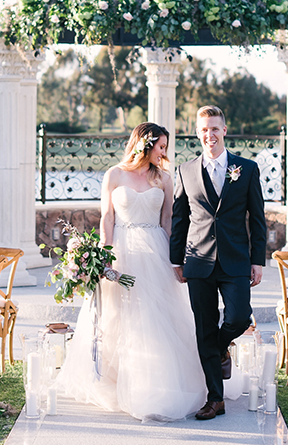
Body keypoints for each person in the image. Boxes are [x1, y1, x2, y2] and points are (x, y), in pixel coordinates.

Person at [56, 122, 206, 422]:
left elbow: (168, 222)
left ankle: (157, 385)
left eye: (165, 147)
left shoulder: (164, 178)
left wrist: (176, 260)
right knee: (117, 315)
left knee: (155, 316)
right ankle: (116, 380)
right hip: (121, 250)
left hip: (155, 250)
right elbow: (107, 218)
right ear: (145, 144)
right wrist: (105, 256)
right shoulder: (114, 174)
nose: (164, 152)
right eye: (160, 146)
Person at [170, 105, 268, 420]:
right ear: (198, 133)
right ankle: (215, 398)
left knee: (239, 317)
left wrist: (258, 260)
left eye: (214, 129)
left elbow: (258, 219)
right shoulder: (185, 170)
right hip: (197, 262)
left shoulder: (247, 168)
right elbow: (179, 219)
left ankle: (221, 345)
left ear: (224, 130)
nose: (209, 135)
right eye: (204, 130)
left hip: (236, 260)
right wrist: (176, 260)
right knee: (203, 328)